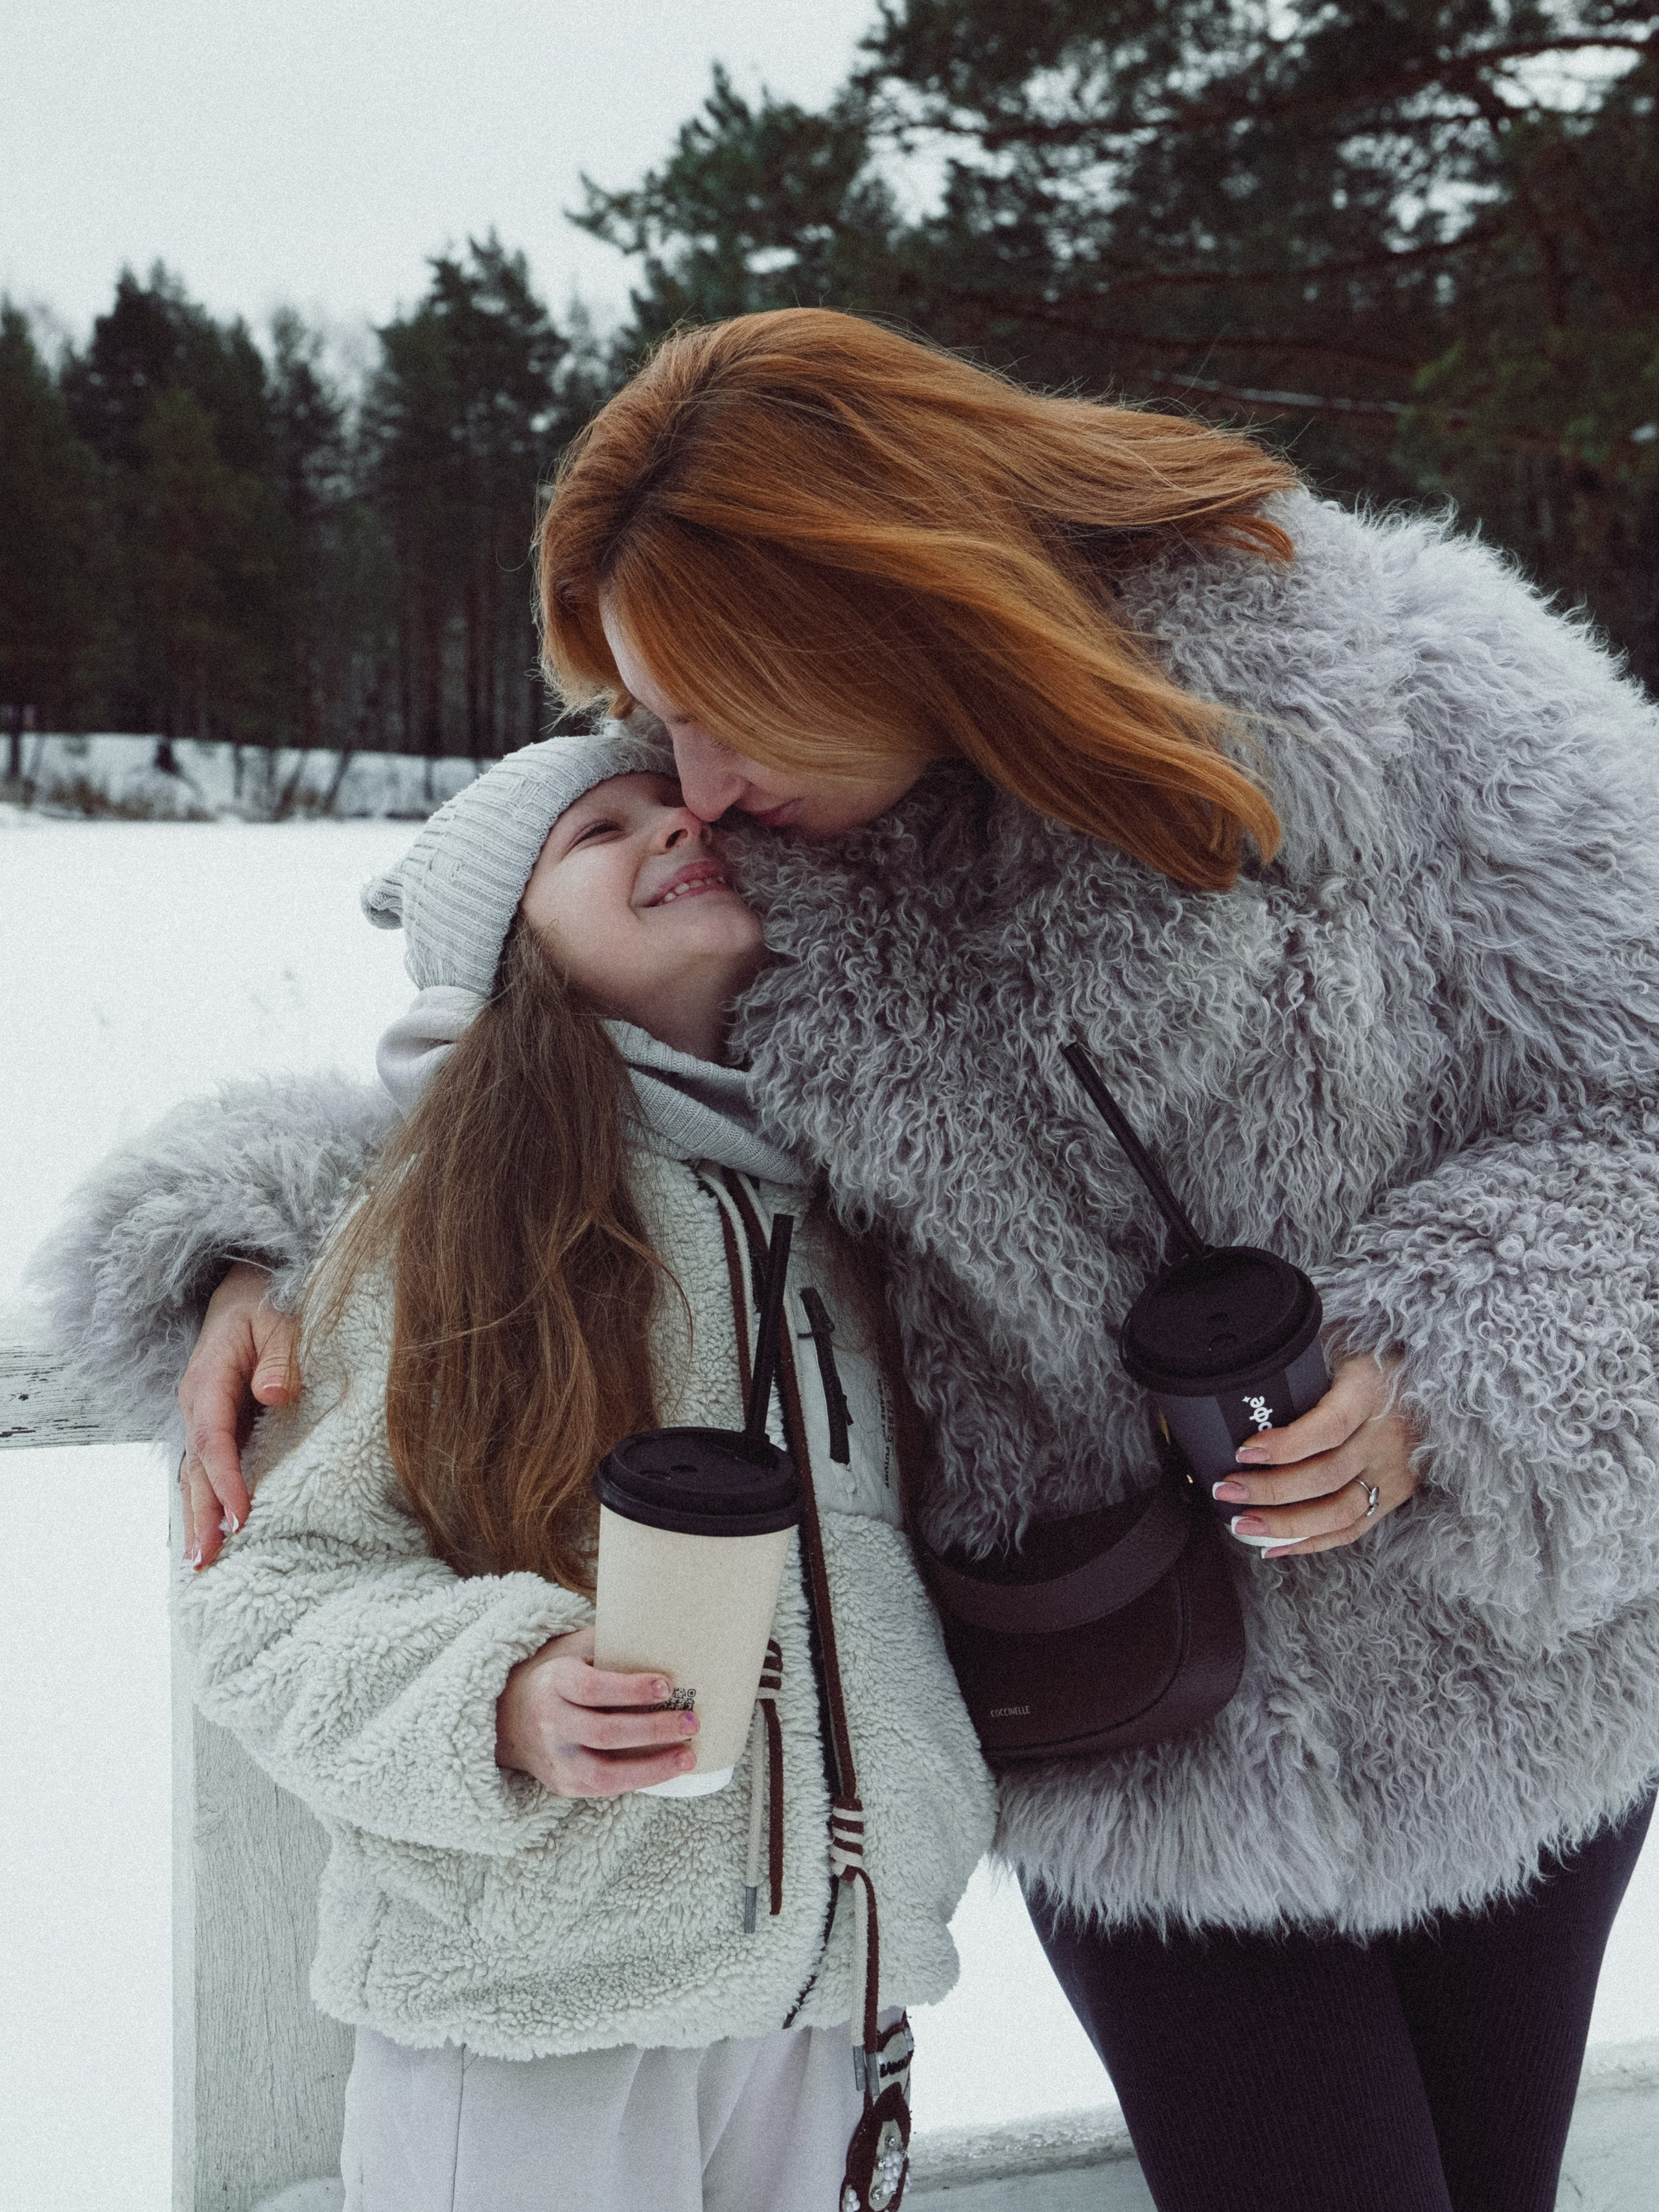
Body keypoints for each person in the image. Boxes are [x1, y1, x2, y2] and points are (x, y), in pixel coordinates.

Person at [40, 310, 1659, 2212]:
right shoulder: (764, 857)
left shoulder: (1406, 697)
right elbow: (531, 1088)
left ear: (887, 611)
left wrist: (1445, 1371)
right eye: (656, 718)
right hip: (1127, 1725)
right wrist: (246, 1248)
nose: (689, 775)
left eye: (723, 708)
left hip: (1502, 1677)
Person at [155, 735, 995, 2212]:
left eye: (669, 803)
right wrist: (499, 1693)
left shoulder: (850, 1197)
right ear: (504, 948)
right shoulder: (457, 1218)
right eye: (596, 832)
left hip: (822, 2001)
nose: (672, 823)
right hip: (541, 2012)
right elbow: (269, 1596)